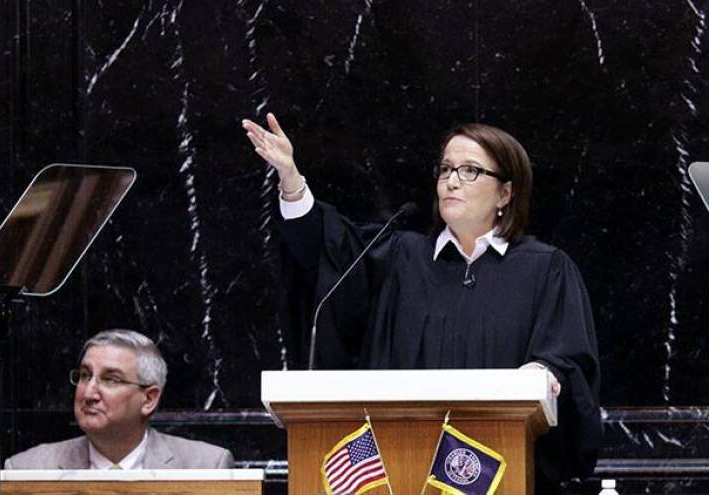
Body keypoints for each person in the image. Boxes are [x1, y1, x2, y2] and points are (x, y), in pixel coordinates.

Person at [242, 114, 601, 492]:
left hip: (505, 477)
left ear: (506, 193)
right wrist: (292, 180)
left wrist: (543, 374)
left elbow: (568, 361)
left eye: (470, 171)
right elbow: (329, 253)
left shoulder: (545, 270)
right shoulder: (401, 258)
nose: (452, 180)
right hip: (399, 473)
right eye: (446, 168)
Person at [4, 329, 234, 469]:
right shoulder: (28, 467)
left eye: (111, 380)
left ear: (149, 399)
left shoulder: (205, 465)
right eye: (85, 376)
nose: (89, 393)